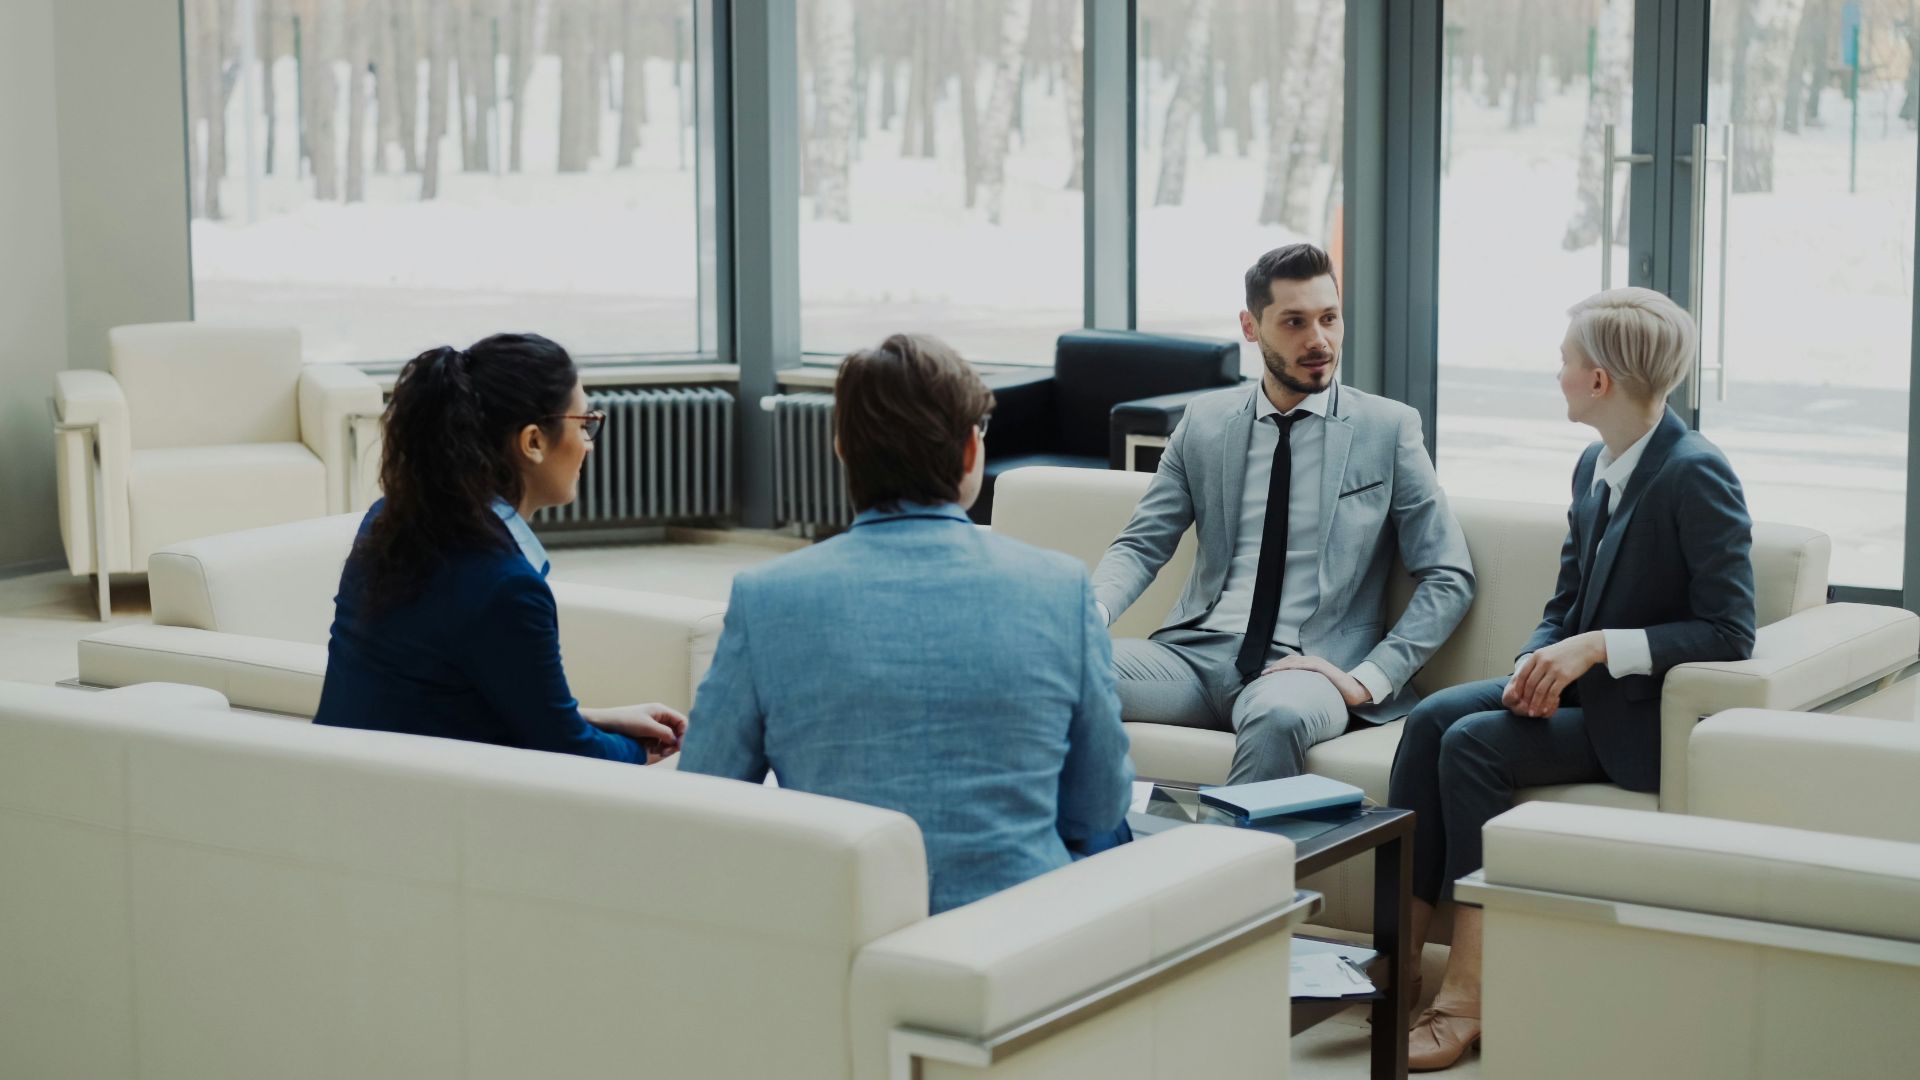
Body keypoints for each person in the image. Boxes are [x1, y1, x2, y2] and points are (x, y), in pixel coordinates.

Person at [1388, 288, 1756, 1071]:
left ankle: (1466, 997)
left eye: (1564, 361)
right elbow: (1564, 599)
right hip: (1580, 696)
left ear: (1599, 381)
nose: (1555, 374)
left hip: (1637, 720)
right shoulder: (1596, 460)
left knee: (1475, 746)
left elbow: (1731, 630)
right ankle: (1397, 970)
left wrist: (1594, 650)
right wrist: (1537, 658)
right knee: (1427, 723)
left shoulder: (1696, 473)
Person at [678, 333, 1135, 914]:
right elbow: (1098, 804)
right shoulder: (1060, 588)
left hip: (844, 933)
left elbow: (706, 795)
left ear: (842, 449)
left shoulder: (766, 597)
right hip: (1020, 940)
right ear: (972, 454)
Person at [1092, 243, 1474, 784]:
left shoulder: (1387, 429)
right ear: (1251, 327)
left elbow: (1449, 574)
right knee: (1061, 665)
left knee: (1278, 716)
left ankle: (1238, 868)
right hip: (1193, 657)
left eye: (1329, 319)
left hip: (1307, 667)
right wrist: (1090, 615)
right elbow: (1141, 544)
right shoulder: (1204, 423)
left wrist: (1371, 677)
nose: (1318, 340)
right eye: (1294, 322)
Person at [315, 333, 686, 763]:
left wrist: (600, 719)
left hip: (342, 784)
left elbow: (436, 697)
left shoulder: (388, 520)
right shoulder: (506, 586)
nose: (588, 442)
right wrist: (647, 751)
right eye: (583, 423)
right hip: (435, 808)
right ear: (533, 442)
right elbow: (568, 752)